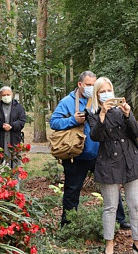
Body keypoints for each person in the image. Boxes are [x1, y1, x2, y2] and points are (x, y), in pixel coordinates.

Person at [50, 71, 129, 228]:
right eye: (88, 85)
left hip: (100, 154)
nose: (91, 88)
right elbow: (54, 122)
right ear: (80, 85)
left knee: (111, 186)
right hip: (76, 155)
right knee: (72, 191)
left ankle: (120, 220)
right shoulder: (67, 102)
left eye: (94, 85)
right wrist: (73, 120)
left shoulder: (99, 99)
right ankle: (68, 225)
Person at [86, 77, 138, 254]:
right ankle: (109, 243)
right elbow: (96, 136)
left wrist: (128, 115)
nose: (107, 94)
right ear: (97, 95)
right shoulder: (93, 112)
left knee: (135, 204)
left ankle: (137, 242)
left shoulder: (123, 109)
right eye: (102, 91)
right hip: (108, 162)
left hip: (130, 160)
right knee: (110, 206)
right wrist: (102, 115)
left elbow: (136, 132)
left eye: (109, 90)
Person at [0, 86, 26, 162]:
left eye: (8, 94)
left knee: (14, 159)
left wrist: (12, 126)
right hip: (0, 138)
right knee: (0, 159)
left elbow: (22, 121)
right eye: (4, 95)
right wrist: (1, 125)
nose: (6, 96)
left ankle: (14, 173)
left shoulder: (19, 107)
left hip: (14, 138)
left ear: (12, 94)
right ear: (0, 96)